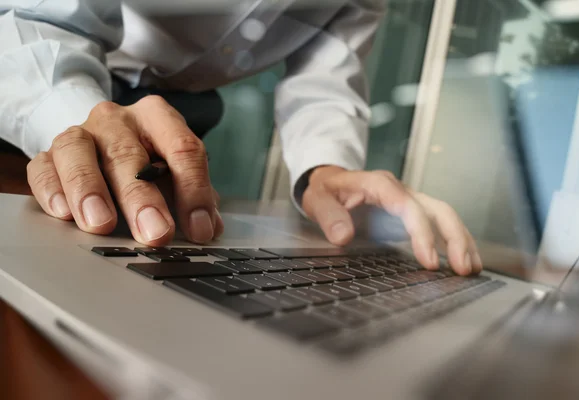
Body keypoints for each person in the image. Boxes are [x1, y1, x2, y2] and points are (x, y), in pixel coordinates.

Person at [0, 0, 482, 276]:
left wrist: (324, 167)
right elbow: (36, 15)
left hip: (181, 121)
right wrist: (76, 120)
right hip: (36, 86)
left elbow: (326, 76)